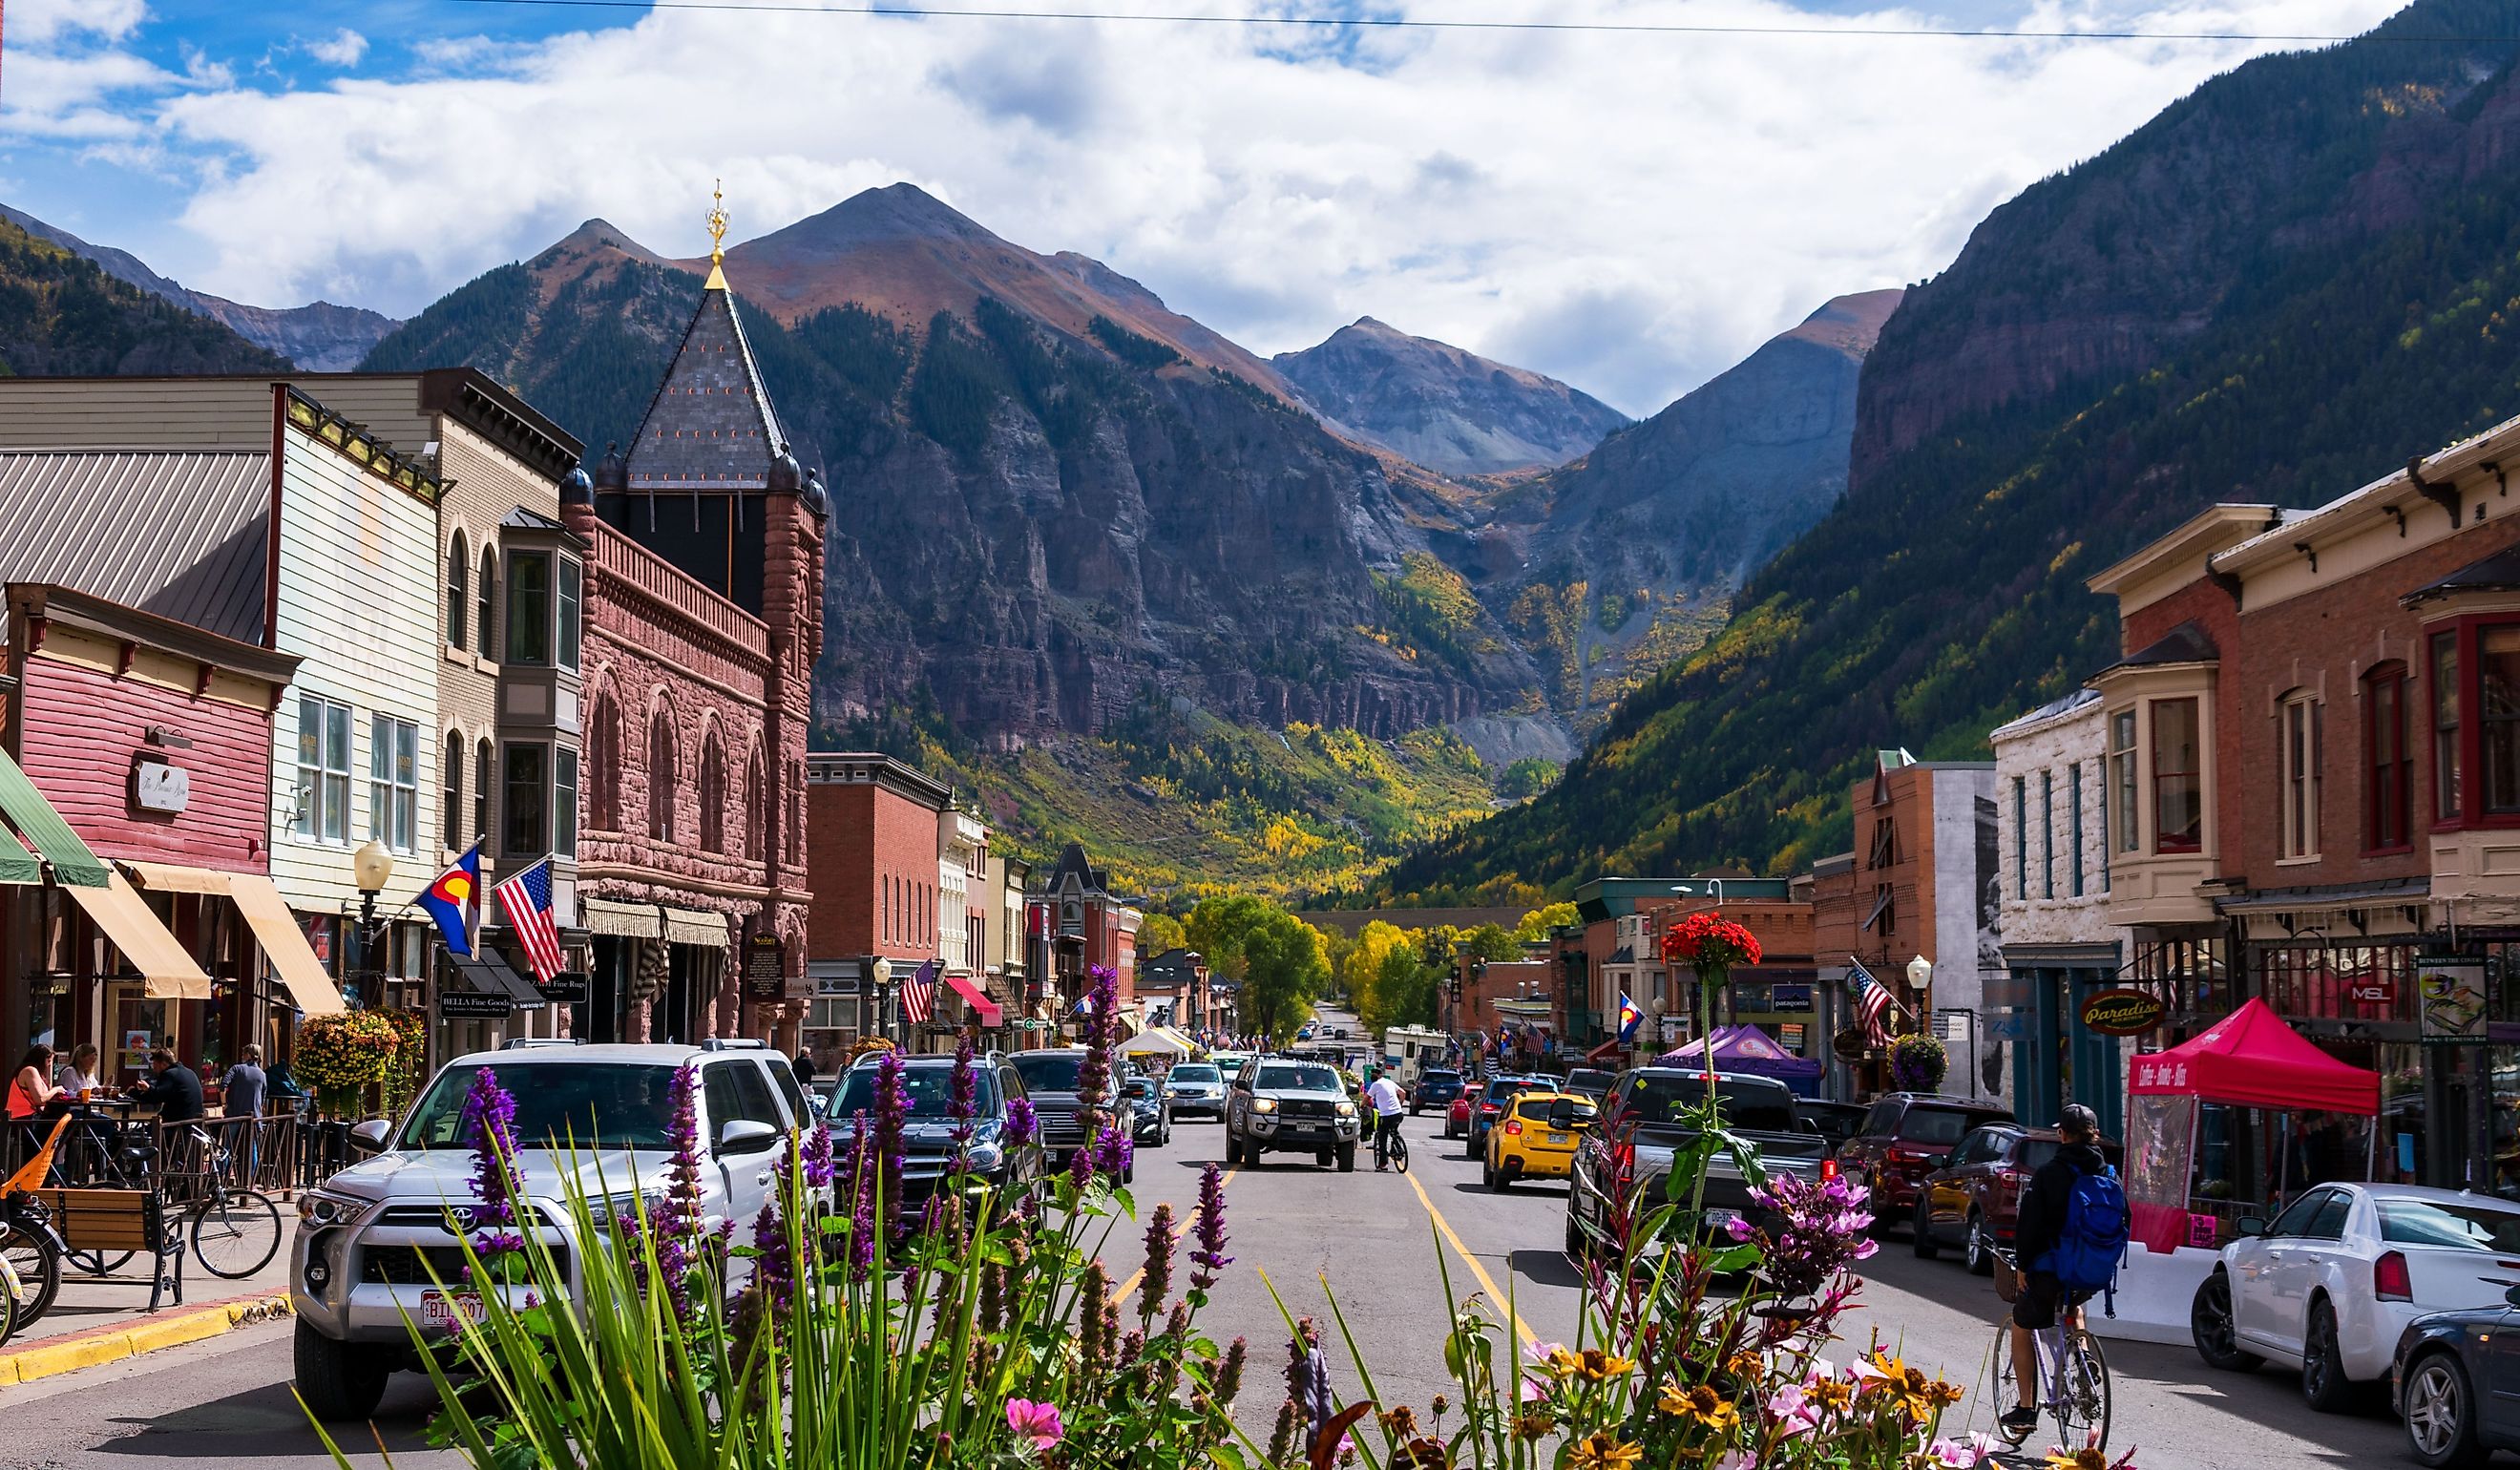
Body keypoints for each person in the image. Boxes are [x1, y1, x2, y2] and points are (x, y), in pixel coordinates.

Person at [2004, 1103, 2122, 1438]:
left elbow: (2028, 1225)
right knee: (2073, 1306)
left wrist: (2024, 1266)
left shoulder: (2049, 1173)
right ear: (2094, 1133)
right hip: (2091, 1271)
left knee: (2022, 1324)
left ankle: (2026, 1409)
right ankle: (2083, 1358)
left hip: (2050, 1269)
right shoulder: (2109, 1174)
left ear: (2062, 1135)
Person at [127, 1046, 205, 1124]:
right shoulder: (189, 1072)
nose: (153, 1068)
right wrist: (149, 1088)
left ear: (164, 1064)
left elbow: (156, 1098)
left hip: (178, 1127)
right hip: (195, 1124)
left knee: (140, 1131)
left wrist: (132, 1092)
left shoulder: (169, 1074)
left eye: (155, 1064)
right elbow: (162, 1093)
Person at [1363, 1066, 1406, 1170]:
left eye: (1374, 1074)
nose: (1373, 1076)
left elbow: (1367, 1098)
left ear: (1378, 1076)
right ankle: (1397, 1149)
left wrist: (1361, 1106)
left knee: (1382, 1138)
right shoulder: (1389, 1082)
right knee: (1394, 1132)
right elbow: (1403, 1093)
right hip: (1398, 1113)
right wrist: (1400, 1104)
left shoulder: (1376, 1085)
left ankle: (1383, 1164)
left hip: (1386, 1115)